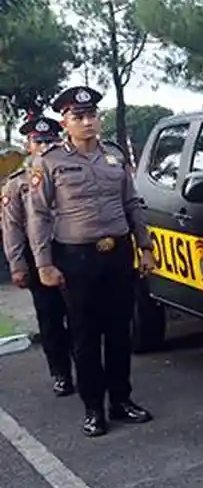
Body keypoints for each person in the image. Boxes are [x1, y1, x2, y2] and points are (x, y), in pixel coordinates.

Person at [26, 85, 157, 437]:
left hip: (118, 254)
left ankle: (121, 400)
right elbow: (38, 216)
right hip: (76, 258)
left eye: (91, 115)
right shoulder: (49, 161)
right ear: (65, 123)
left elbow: (132, 204)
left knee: (119, 332)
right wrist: (44, 264)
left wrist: (145, 247)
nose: (87, 122)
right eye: (78, 117)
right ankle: (93, 408)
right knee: (84, 335)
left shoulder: (113, 155)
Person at [2, 116, 73, 397]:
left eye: (49, 141)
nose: (44, 146)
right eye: (38, 141)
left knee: (80, 315)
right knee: (50, 319)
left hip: (72, 251)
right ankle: (61, 373)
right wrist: (18, 265)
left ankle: (87, 367)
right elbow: (12, 227)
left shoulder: (70, 171)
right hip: (37, 257)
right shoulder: (18, 182)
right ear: (28, 145)